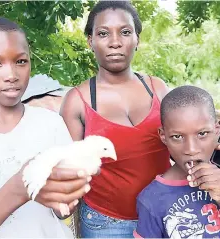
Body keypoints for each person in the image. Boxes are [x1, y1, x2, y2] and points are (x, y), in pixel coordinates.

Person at [0, 17, 90, 238]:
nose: (11, 75)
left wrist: (67, 194)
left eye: (20, 61)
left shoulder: (51, 124)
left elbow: (64, 209)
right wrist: (20, 188)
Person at [60, 1, 171, 238]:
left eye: (125, 32)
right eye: (103, 33)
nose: (115, 42)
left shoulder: (158, 89)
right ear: (90, 41)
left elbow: (183, 148)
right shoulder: (77, 101)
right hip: (105, 223)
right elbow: (70, 171)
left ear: (137, 39)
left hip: (166, 215)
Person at [134, 86, 220, 238]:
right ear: (163, 136)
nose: (191, 149)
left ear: (217, 128)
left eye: (202, 134)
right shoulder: (151, 199)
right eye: (177, 137)